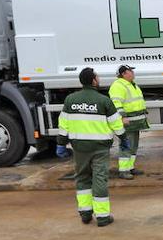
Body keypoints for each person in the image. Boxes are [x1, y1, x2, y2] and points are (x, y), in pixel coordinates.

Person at [58, 67, 124, 227]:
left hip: (79, 147)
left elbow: (63, 123)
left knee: (82, 178)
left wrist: (60, 143)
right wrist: (123, 138)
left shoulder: (70, 100)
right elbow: (116, 123)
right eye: (97, 77)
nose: (99, 79)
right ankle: (102, 216)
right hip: (100, 148)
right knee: (99, 178)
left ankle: (85, 213)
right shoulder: (104, 100)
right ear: (93, 80)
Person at [109, 64, 149, 179]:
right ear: (123, 74)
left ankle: (130, 167)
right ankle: (123, 170)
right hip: (128, 121)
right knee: (126, 145)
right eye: (130, 71)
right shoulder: (118, 85)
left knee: (133, 145)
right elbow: (116, 103)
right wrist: (122, 117)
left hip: (134, 121)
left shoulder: (131, 84)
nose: (132, 72)